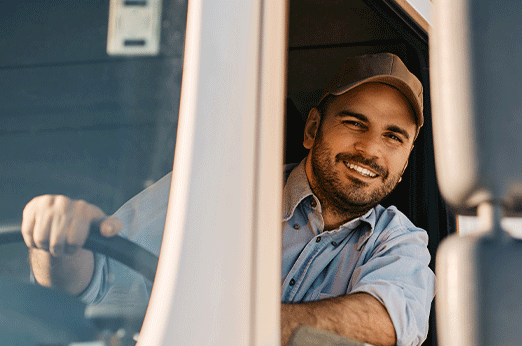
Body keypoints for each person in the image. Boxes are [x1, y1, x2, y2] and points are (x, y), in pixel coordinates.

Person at [21, 53, 435, 346]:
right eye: (354, 122)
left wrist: (217, 324)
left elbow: (387, 322)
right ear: (312, 129)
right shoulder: (214, 188)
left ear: (403, 164)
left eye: (393, 136)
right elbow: (96, 281)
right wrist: (55, 240)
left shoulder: (399, 241)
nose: (370, 149)